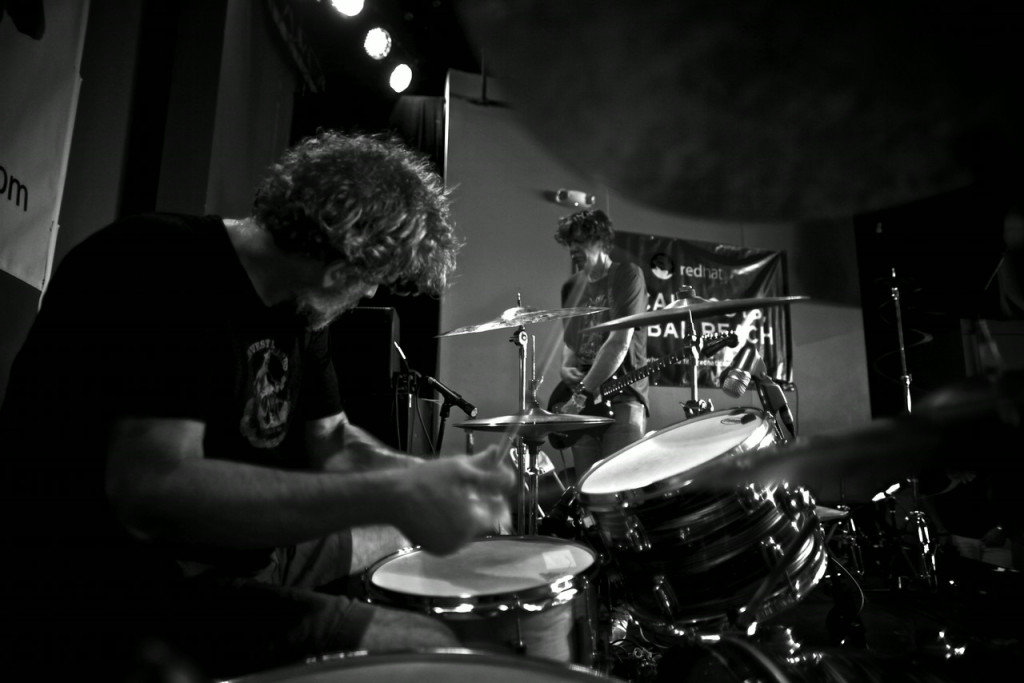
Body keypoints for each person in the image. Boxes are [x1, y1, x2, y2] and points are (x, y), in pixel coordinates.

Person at [0, 131, 514, 679]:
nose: (368, 295)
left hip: (242, 552)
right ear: (338, 270)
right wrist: (394, 494)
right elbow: (153, 490)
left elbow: (333, 443)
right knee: (426, 644)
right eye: (370, 281)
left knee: (406, 551)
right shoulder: (158, 263)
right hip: (124, 584)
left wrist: (425, 477)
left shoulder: (300, 305)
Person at [553, 209, 649, 481]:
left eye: (580, 241)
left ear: (601, 240)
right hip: (582, 402)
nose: (573, 249)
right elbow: (571, 343)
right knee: (588, 490)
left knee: (617, 488)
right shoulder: (570, 288)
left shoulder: (627, 275)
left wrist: (581, 394)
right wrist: (565, 367)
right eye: (569, 243)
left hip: (621, 396)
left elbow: (618, 342)